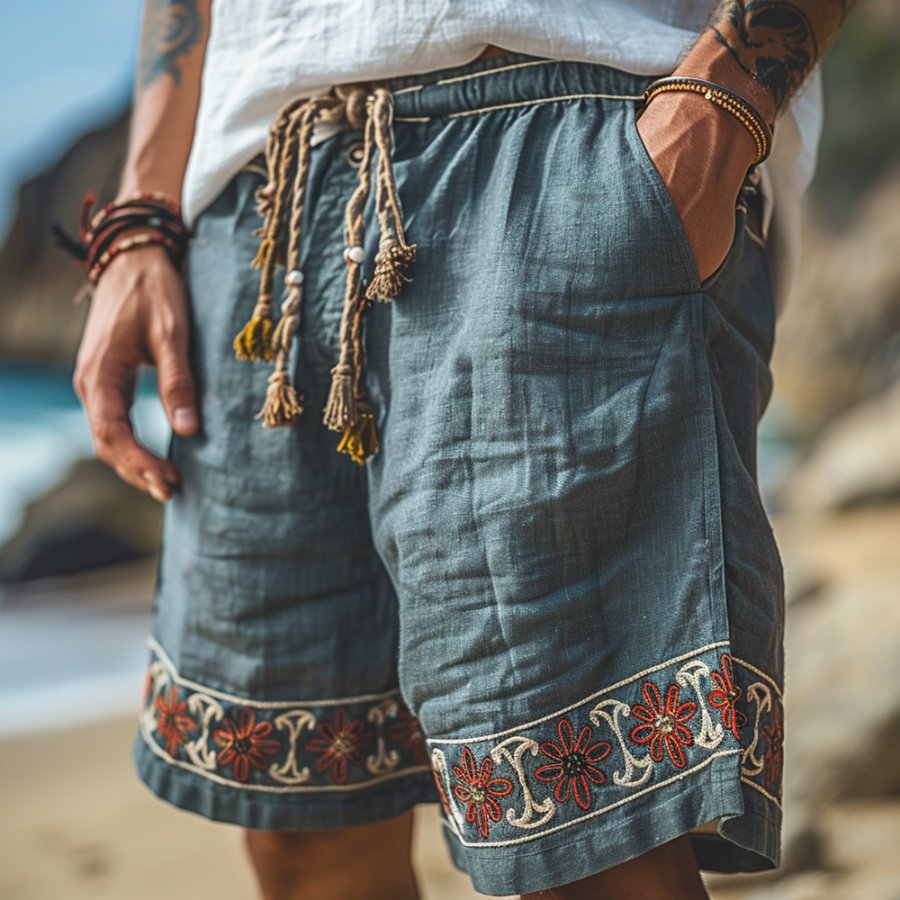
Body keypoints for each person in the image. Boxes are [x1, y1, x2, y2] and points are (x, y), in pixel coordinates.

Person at [65, 2, 855, 898]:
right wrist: (141, 217)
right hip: (260, 198)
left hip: (557, 129)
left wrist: (722, 104)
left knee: (587, 827)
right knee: (301, 819)